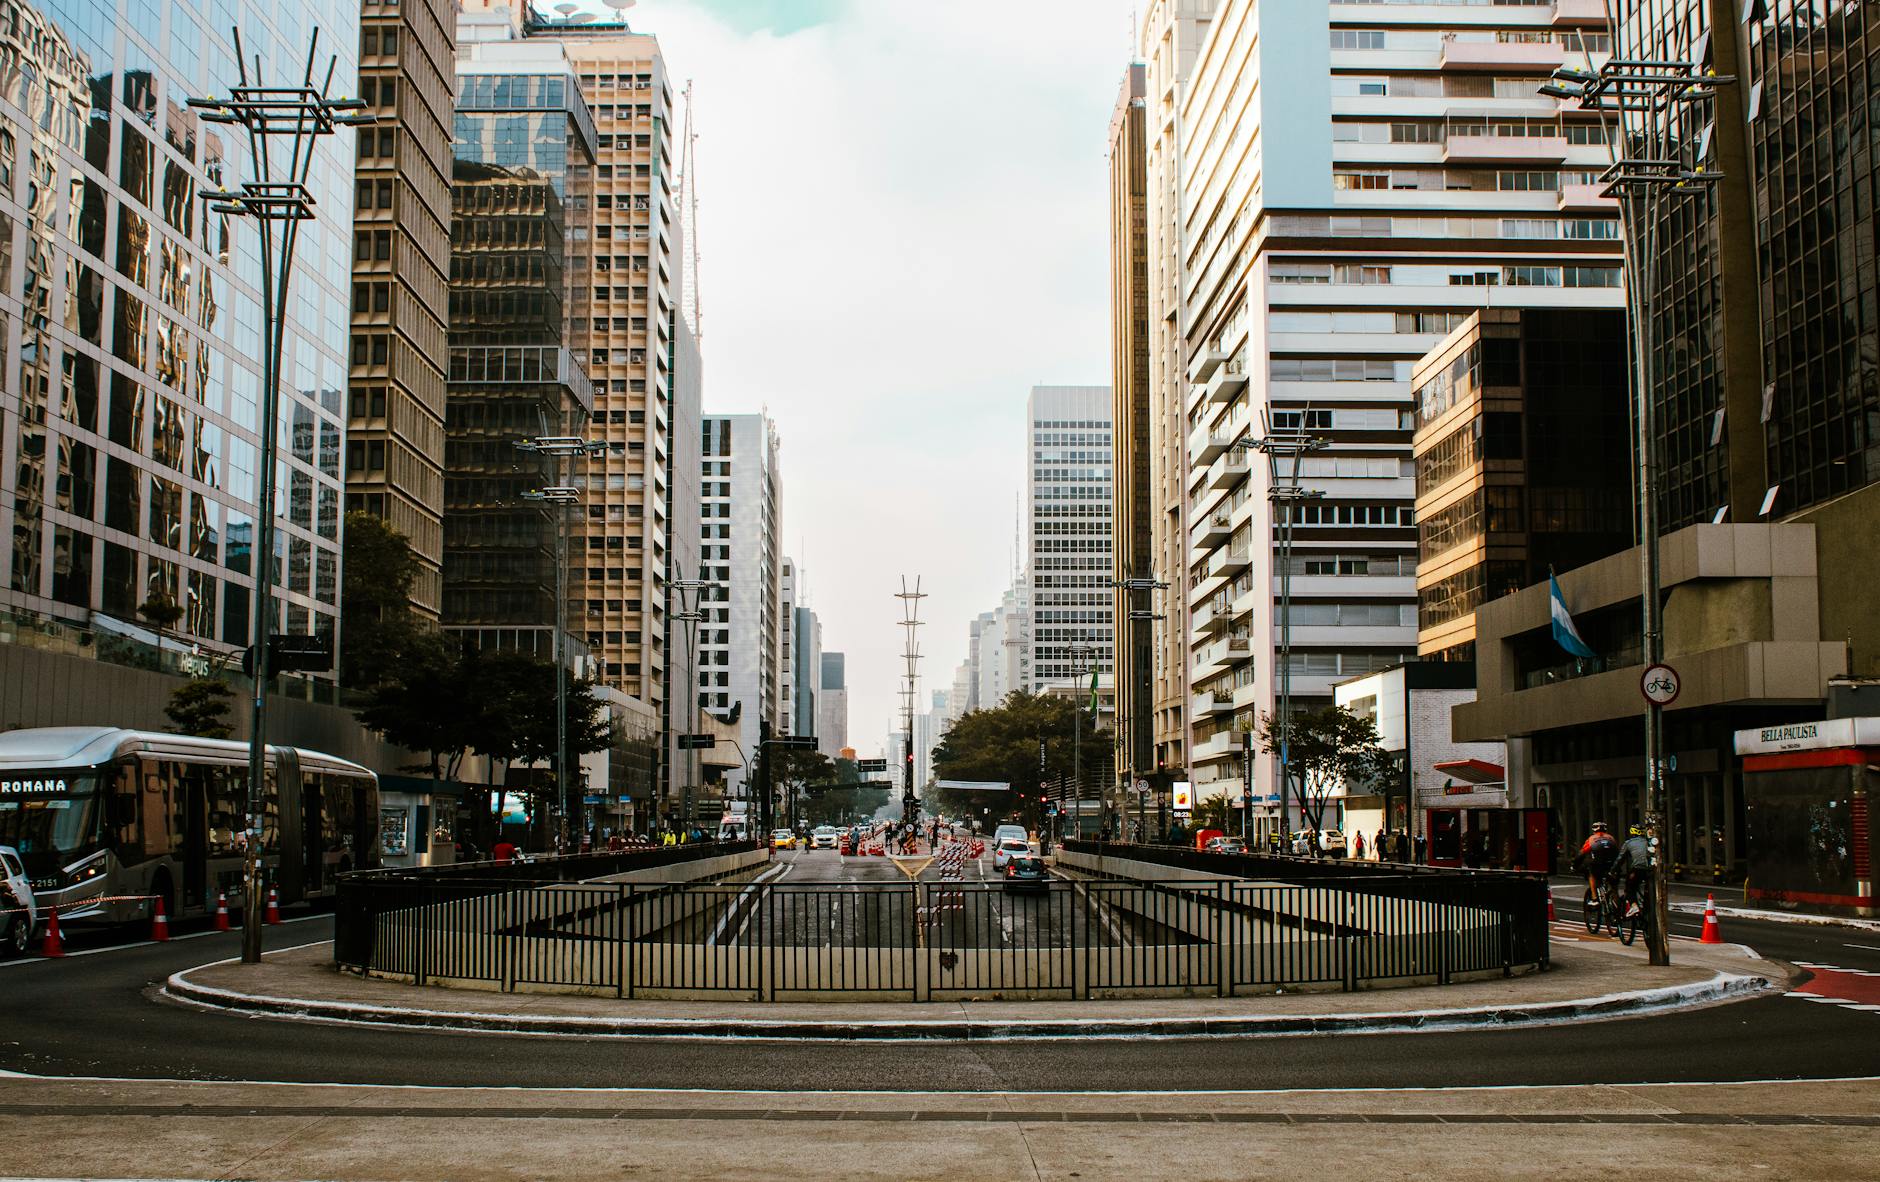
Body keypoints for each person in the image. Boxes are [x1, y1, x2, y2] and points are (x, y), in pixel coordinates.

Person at [1614, 824, 1653, 915]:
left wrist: (1613, 870)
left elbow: (1620, 859)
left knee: (1630, 887)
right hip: (1650, 870)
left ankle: (1634, 906)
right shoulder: (1648, 842)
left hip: (1637, 869)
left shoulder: (1629, 843)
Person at [1576, 822, 1619, 897]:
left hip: (1597, 864)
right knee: (1613, 885)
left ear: (1594, 830)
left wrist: (1574, 865)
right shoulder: (1611, 838)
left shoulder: (1592, 839)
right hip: (1612, 864)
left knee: (1592, 875)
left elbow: (1582, 853)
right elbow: (1617, 851)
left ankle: (1594, 898)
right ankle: (1616, 899)